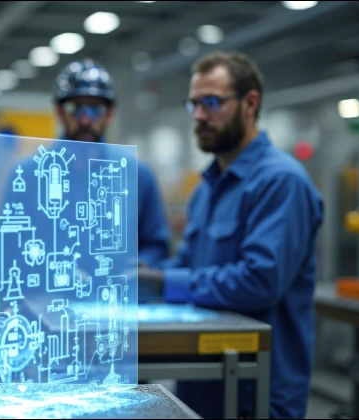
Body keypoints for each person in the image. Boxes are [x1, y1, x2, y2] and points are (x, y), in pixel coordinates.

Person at [138, 51, 324, 418]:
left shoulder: (280, 182)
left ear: (250, 103)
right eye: (194, 105)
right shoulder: (204, 190)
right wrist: (145, 272)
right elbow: (190, 267)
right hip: (201, 382)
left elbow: (260, 280)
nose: (200, 117)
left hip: (256, 391)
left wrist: (165, 280)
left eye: (211, 103)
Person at [53, 58, 170, 269]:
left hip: (117, 296)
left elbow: (157, 246)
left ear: (110, 114)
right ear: (59, 112)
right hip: (47, 298)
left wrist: (135, 268)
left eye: (95, 108)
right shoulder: (28, 175)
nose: (85, 119)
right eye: (75, 108)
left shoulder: (137, 175)